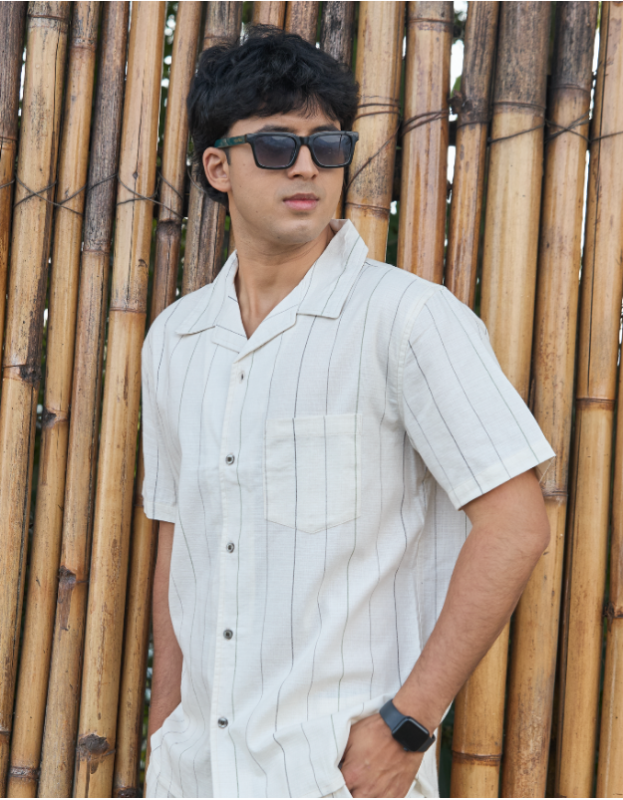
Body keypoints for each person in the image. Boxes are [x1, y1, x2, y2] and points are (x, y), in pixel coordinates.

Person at [142, 25, 555, 800]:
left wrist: (408, 724)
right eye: (275, 145)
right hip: (192, 776)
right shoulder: (175, 340)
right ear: (217, 167)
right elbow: (179, 539)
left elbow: (516, 524)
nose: (305, 166)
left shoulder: (408, 320)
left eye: (326, 145)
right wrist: (168, 726)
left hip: (338, 776)